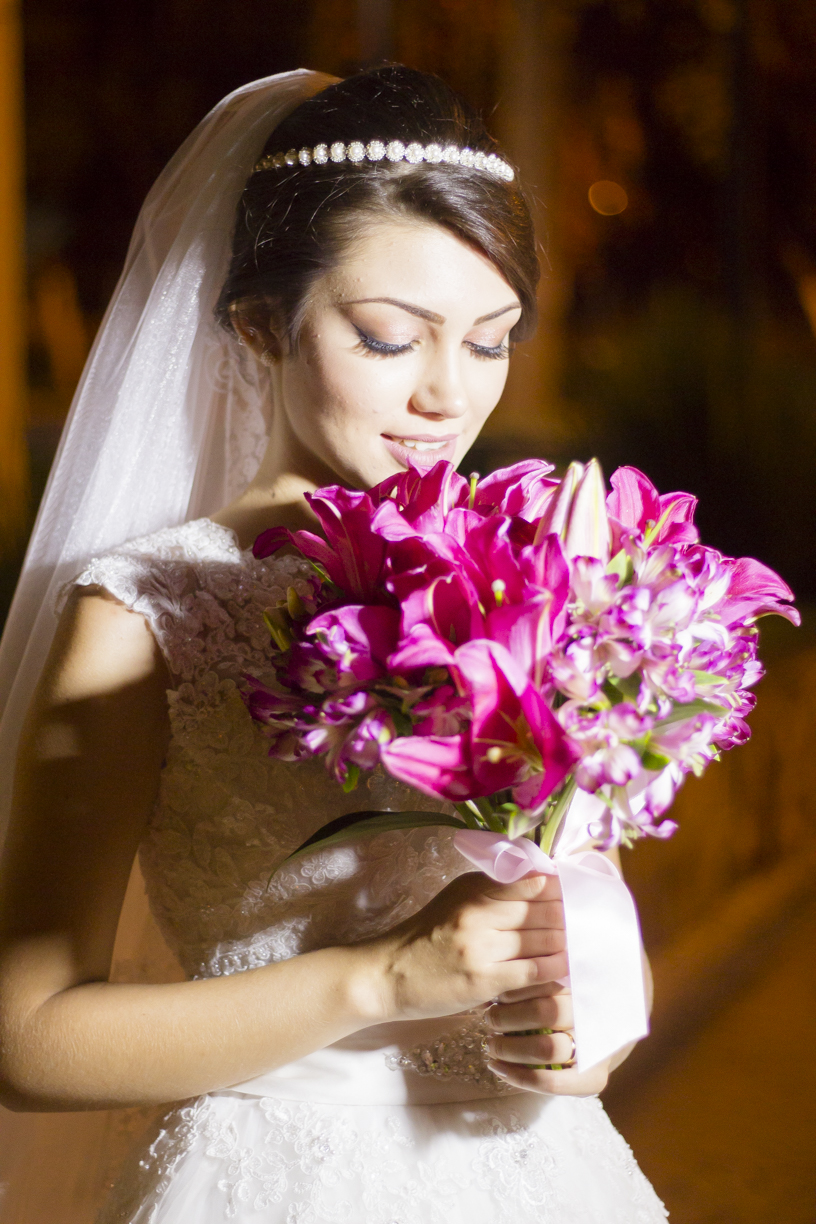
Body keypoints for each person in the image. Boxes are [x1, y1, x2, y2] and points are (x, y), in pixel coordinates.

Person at [0, 66, 668, 1222]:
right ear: (262, 320)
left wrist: (580, 1031)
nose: (446, 398)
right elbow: (29, 1038)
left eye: (491, 340)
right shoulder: (148, 610)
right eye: (388, 338)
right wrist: (382, 979)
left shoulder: (538, 577)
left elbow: (578, 914)